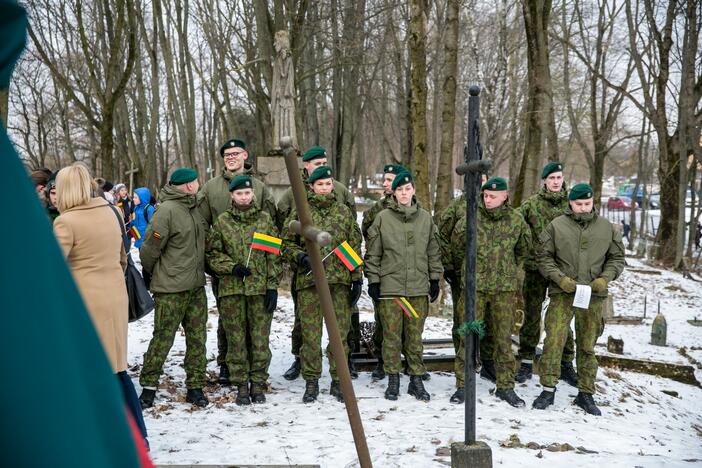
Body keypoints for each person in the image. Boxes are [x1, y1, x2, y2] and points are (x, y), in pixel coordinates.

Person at [52, 162, 148, 447]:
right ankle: (139, 436)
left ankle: (102, 436)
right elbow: (122, 258)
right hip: (115, 298)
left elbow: (52, 269)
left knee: (90, 371)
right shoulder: (112, 211)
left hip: (85, 305)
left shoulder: (66, 222)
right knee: (116, 369)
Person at [532, 183, 625, 415]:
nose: (583, 208)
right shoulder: (556, 226)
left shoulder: (606, 228)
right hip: (563, 292)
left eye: (587, 203)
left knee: (587, 345)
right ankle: (548, 388)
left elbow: (617, 259)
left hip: (593, 295)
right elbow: (543, 257)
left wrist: (605, 278)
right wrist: (559, 279)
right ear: (570, 204)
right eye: (578, 204)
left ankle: (586, 393)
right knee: (554, 340)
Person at [198, 138, 277, 385]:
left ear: (245, 155)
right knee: (229, 320)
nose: (231, 157)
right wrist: (216, 264)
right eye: (226, 154)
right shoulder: (210, 188)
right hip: (225, 268)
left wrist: (271, 278)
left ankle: (256, 371)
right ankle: (226, 365)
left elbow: (271, 230)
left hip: (257, 273)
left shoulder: (261, 188)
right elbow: (202, 224)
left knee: (256, 324)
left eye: (235, 153)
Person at [282, 166, 363, 403]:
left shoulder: (343, 212)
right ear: (311, 187)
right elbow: (285, 244)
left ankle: (339, 381)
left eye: (328, 184)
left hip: (338, 283)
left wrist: (356, 276)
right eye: (320, 185)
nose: (325, 188)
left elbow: (354, 246)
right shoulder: (301, 213)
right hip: (310, 283)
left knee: (340, 335)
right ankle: (311, 381)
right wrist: (300, 257)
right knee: (310, 335)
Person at [450, 177, 531, 406]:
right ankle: (463, 386)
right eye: (485, 195)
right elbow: (457, 246)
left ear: (505, 196)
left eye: (493, 196)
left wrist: (507, 271)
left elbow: (523, 249)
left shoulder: (516, 220)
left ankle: (506, 386)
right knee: (467, 337)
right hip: (474, 290)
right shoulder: (471, 217)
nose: (487, 199)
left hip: (503, 291)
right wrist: (467, 270)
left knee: (503, 340)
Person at [364, 171, 442, 401]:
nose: (404, 193)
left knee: (415, 336)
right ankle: (393, 379)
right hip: (392, 289)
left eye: (408, 189)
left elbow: (433, 251)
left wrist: (435, 278)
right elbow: (373, 253)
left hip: (418, 288)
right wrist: (374, 281)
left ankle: (416, 379)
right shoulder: (383, 218)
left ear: (414, 190)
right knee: (391, 336)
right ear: (394, 193)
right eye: (400, 190)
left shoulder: (425, 218)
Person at [206, 175, 282, 405]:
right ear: (231, 195)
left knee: (260, 339)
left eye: (247, 193)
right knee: (236, 339)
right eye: (239, 193)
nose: (244, 197)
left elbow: (274, 256)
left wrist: (272, 287)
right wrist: (232, 267)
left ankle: (258, 383)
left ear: (253, 194)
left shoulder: (265, 220)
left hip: (259, 290)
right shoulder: (222, 222)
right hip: (232, 291)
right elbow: (212, 255)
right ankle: (240, 384)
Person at [138, 168, 209, 408]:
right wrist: (150, 274)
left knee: (198, 339)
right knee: (163, 338)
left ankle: (195, 386)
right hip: (170, 289)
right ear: (189, 186)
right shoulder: (166, 211)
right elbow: (149, 249)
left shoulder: (196, 208)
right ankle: (148, 387)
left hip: (196, 287)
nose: (199, 184)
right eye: (196, 181)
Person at [515, 161, 577, 386]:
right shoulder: (532, 204)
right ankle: (526, 361)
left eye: (558, 178)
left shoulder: (572, 204)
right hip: (535, 267)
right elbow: (515, 225)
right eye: (551, 178)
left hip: (563, 270)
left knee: (562, 317)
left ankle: (566, 362)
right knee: (531, 316)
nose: (555, 182)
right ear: (544, 181)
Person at [361, 163, 406, 381]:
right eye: (385, 180)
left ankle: (408, 360)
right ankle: (382, 361)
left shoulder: (413, 208)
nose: (386, 184)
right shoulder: (375, 211)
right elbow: (368, 240)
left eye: (391, 180)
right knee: (383, 321)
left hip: (408, 276)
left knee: (409, 320)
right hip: (384, 274)